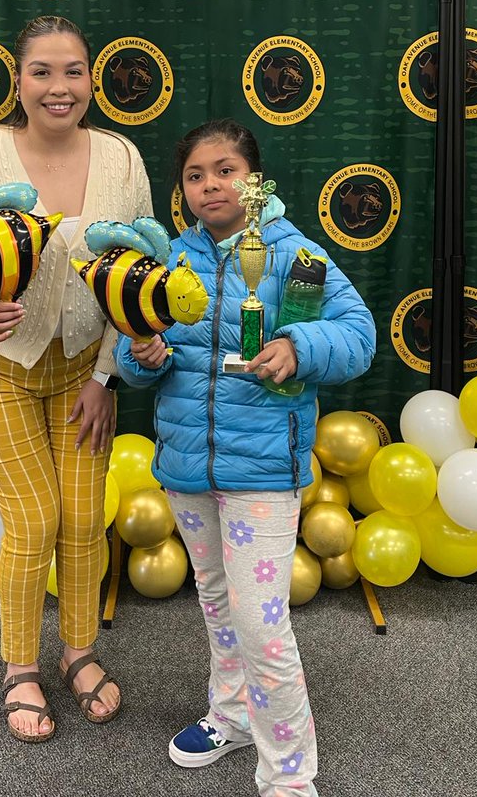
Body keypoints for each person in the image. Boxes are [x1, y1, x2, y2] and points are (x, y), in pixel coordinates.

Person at [0, 15, 153, 743]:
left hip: (82, 369)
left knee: (83, 518)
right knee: (35, 519)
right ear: (18, 80)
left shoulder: (121, 158)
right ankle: (19, 668)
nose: (59, 87)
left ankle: (79, 653)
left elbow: (131, 273)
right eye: (42, 71)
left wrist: (105, 375)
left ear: (90, 78)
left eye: (72, 71)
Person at [115, 119, 376, 797]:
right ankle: (230, 716)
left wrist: (298, 346)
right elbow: (133, 352)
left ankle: (290, 777)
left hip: (261, 471)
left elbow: (358, 336)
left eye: (225, 170)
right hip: (187, 468)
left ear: (254, 180)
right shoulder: (168, 260)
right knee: (217, 604)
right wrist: (139, 355)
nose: (210, 186)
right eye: (196, 176)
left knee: (262, 625)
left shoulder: (297, 256)